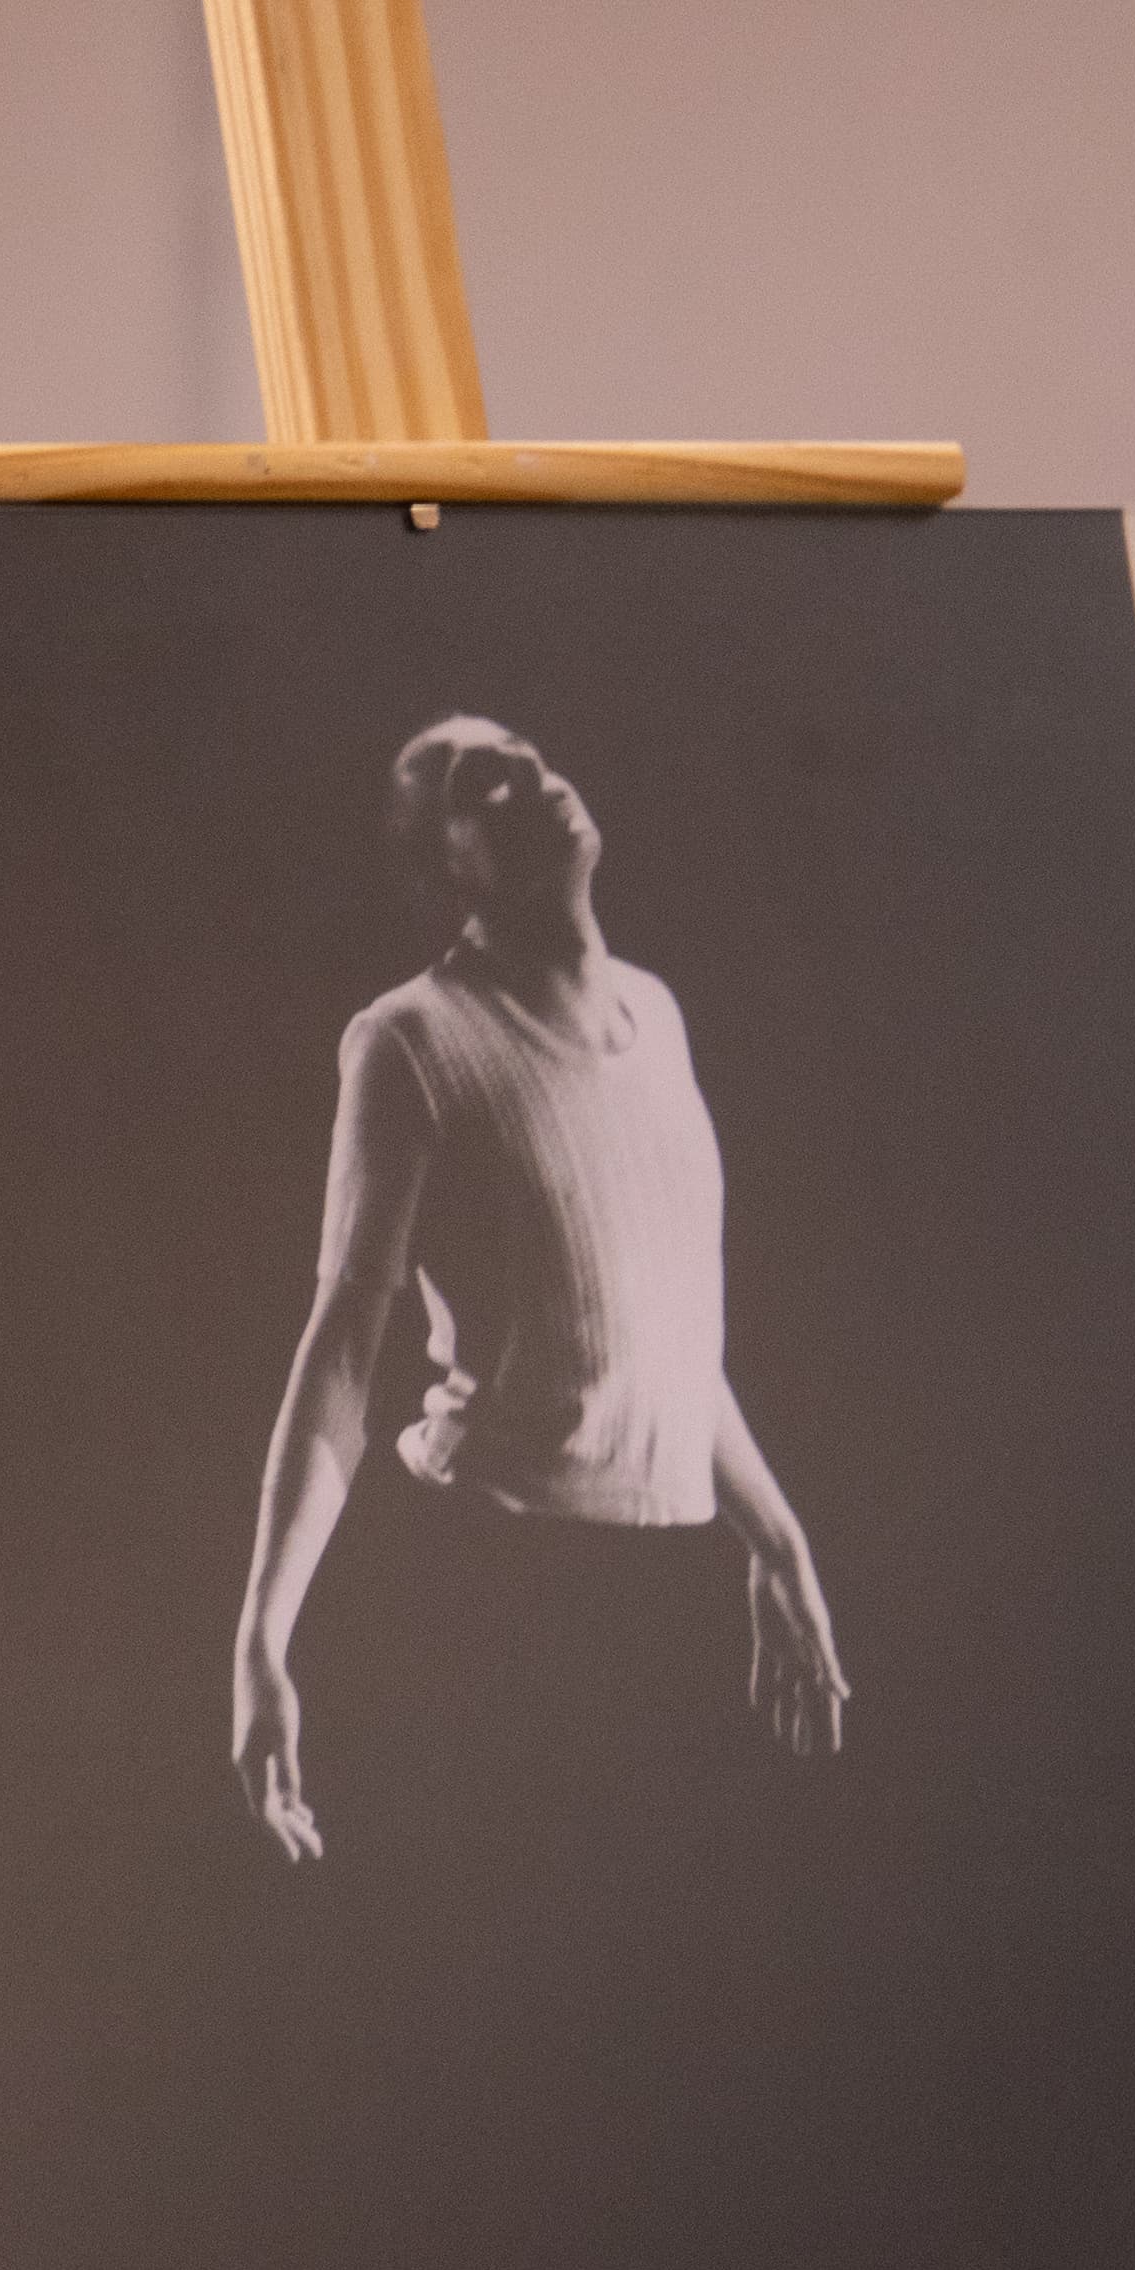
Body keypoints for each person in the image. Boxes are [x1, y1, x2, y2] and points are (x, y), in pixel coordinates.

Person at [224, 713, 846, 1869]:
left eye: (520, 751)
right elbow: (345, 1347)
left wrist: (778, 1540)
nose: (526, 770)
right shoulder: (409, 1039)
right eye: (479, 782)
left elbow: (665, 1338)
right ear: (445, 871)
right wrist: (263, 1640)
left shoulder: (656, 1014)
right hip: (500, 1579)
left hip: (663, 1592)